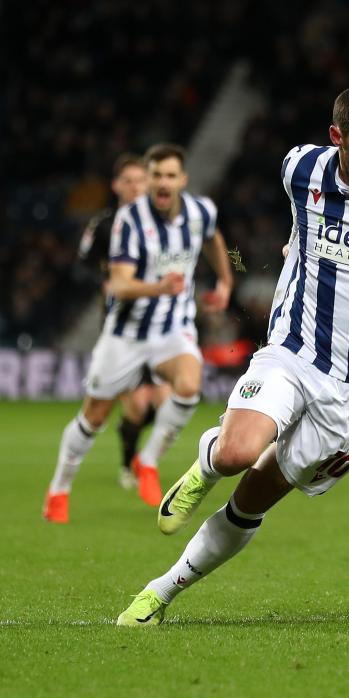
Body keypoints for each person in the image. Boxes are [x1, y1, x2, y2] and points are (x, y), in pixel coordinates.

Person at [116, 85, 349, 626]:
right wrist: (295, 246)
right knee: (239, 453)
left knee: (252, 500)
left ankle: (162, 592)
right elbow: (299, 218)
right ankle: (207, 463)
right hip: (294, 351)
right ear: (337, 139)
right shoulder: (299, 168)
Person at [43, 143, 234, 523]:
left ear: (182, 179)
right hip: (126, 334)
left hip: (173, 328)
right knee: (94, 416)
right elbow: (119, 285)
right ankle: (58, 489)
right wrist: (158, 288)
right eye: (156, 175)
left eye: (169, 175)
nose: (162, 182)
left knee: (189, 384)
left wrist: (226, 281)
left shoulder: (201, 211)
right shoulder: (128, 221)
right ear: (148, 180)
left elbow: (212, 238)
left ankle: (147, 463)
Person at [75, 153, 172, 491]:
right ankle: (129, 464)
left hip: (162, 324)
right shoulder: (104, 224)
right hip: (124, 326)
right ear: (116, 186)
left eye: (140, 180)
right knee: (137, 405)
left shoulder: (162, 221)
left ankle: (141, 460)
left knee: (165, 404)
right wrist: (106, 277)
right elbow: (83, 262)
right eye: (128, 181)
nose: (134, 187)